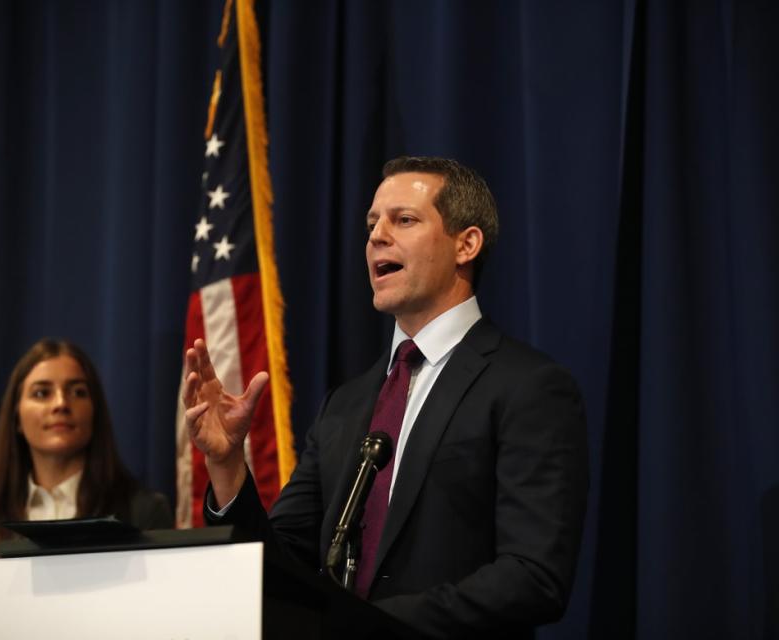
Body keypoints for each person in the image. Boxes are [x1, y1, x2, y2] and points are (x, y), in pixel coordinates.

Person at [183, 157, 589, 638]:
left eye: (404, 220)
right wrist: (228, 465)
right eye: (372, 223)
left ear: (467, 244)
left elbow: (533, 577)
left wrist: (368, 627)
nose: (377, 236)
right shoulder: (346, 404)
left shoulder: (528, 386)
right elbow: (278, 566)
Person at [0, 338, 172, 639]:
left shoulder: (144, 510)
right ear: (16, 418)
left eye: (77, 392)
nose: (61, 404)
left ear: (94, 412)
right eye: (42, 393)